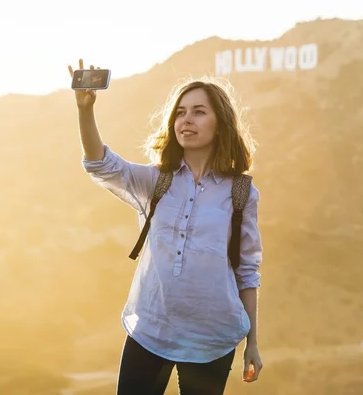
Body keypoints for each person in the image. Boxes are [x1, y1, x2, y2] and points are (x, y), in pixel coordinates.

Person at [67, 59, 264, 394]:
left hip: (212, 336)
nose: (186, 119)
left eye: (199, 111)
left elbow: (247, 270)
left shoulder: (241, 192)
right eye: (180, 112)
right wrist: (85, 110)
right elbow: (100, 164)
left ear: (221, 124)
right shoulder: (155, 181)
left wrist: (253, 343)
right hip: (151, 330)